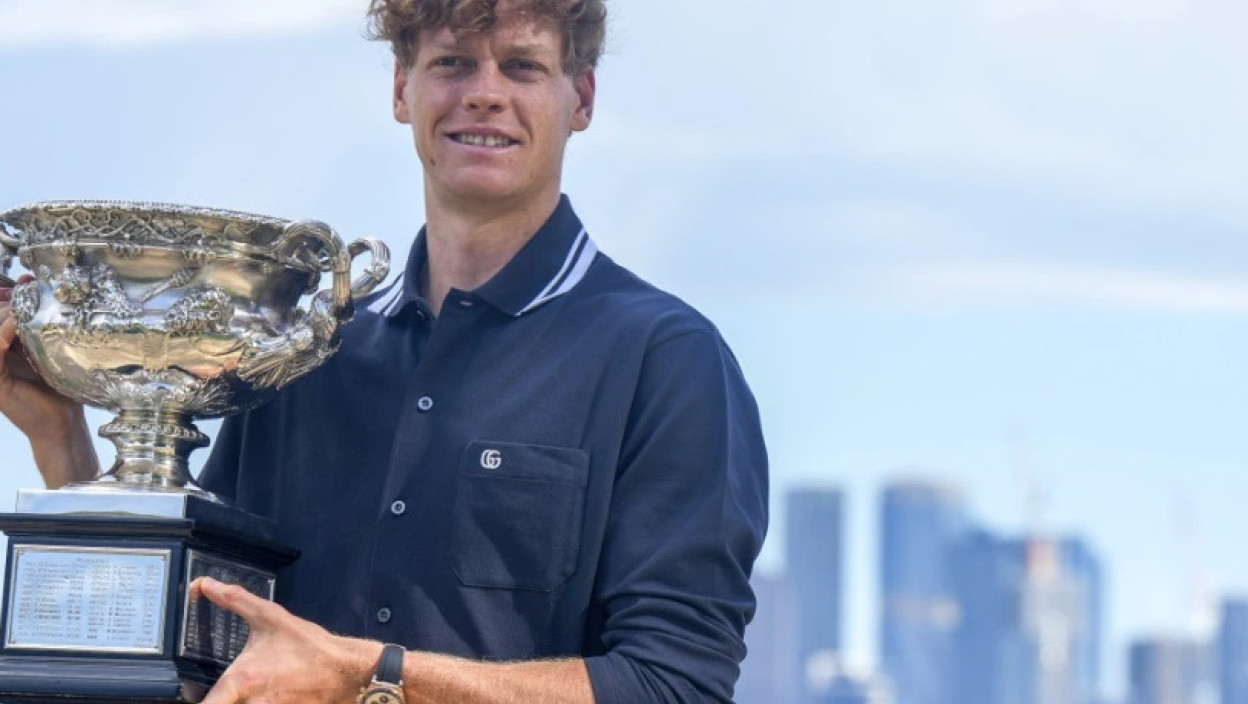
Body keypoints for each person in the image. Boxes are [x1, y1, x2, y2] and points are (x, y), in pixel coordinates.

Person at [0, 0, 769, 702]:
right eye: (452, 63)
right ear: (403, 90)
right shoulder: (304, 357)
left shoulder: (666, 362)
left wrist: (367, 675)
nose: (485, 93)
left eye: (523, 66)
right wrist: (60, 439)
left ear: (583, 99)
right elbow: (198, 642)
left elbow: (675, 686)